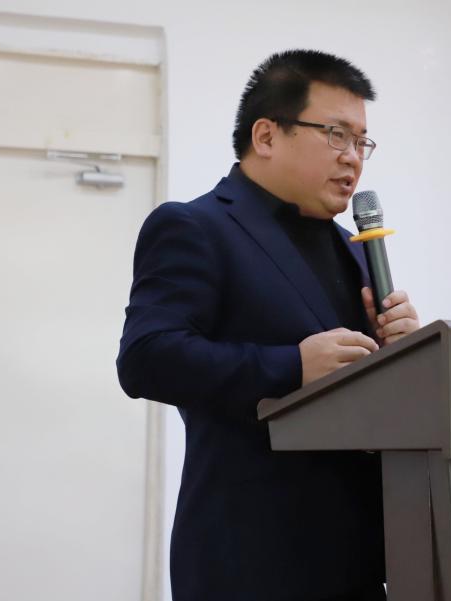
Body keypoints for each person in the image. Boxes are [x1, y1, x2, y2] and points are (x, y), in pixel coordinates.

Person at [117, 49, 421, 601]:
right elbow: (147, 358)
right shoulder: (195, 226)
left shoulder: (354, 248)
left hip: (359, 560)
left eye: (362, 142)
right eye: (336, 134)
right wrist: (292, 365)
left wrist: (401, 352)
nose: (353, 158)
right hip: (250, 556)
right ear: (266, 135)